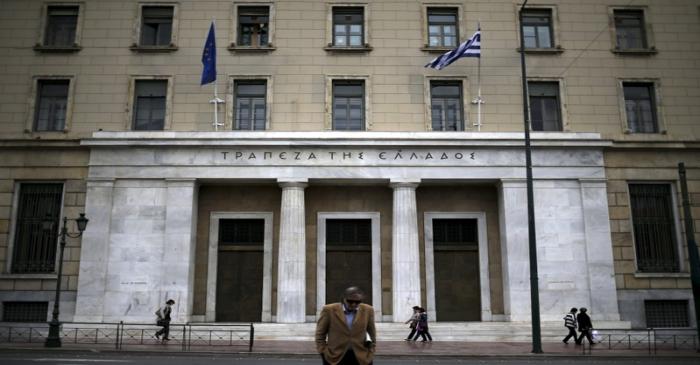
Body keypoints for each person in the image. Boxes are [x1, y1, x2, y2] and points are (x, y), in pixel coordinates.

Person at [315, 286, 376, 365]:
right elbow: (320, 333)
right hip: (334, 356)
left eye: (357, 302)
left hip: (361, 357)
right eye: (350, 301)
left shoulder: (368, 310)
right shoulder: (329, 310)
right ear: (344, 299)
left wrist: (371, 351)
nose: (354, 304)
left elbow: (372, 333)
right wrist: (323, 351)